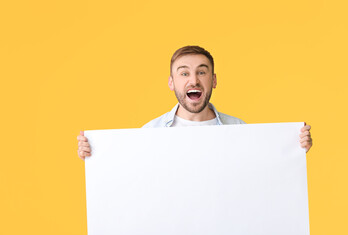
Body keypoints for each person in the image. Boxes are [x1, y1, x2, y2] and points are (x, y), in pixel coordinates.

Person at [77, 46, 312, 160]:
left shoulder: (239, 129)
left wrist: (295, 148)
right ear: (171, 83)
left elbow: (263, 171)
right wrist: (95, 154)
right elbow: (131, 178)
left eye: (202, 72)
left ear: (214, 80)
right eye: (184, 73)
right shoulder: (150, 132)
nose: (194, 80)